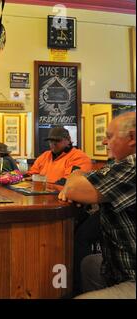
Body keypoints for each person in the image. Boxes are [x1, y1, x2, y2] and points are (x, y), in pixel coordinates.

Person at [58, 112, 135, 299]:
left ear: (132, 138)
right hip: (124, 266)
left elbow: (75, 188)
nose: (104, 142)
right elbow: (81, 187)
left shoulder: (131, 166)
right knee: (90, 264)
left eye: (109, 137)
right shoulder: (120, 164)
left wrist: (75, 176)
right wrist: (76, 185)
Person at [26, 127, 92, 184]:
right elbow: (32, 174)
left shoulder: (79, 157)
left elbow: (69, 183)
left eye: (57, 140)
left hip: (64, 197)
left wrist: (41, 180)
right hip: (41, 195)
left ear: (68, 140)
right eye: (51, 141)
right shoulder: (45, 155)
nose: (53, 144)